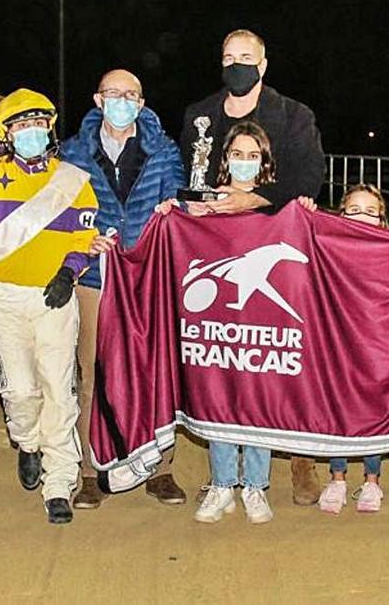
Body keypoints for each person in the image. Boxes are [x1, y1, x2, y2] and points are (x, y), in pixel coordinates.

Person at [178, 29, 326, 503]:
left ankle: (299, 454)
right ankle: (224, 467)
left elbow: (308, 178)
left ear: (263, 66)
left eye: (246, 58)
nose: (236, 65)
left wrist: (251, 199)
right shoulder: (199, 115)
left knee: (280, 351)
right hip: (216, 250)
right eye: (228, 57)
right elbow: (190, 179)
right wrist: (188, 207)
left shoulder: (294, 115)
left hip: (274, 248)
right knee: (224, 353)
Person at [0, 88, 99, 525]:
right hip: (2, 295)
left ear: (49, 130)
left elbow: (84, 237)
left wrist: (69, 273)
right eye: (22, 126)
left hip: (54, 296)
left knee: (60, 390)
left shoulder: (74, 181)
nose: (31, 133)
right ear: (7, 133)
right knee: (21, 391)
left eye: (38, 125)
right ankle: (26, 440)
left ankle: (58, 483)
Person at [57, 69, 185, 510]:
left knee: (156, 369)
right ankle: (91, 470)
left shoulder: (165, 152)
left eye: (131, 95)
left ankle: (162, 466)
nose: (122, 101)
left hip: (149, 275)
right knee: (92, 370)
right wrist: (81, 242)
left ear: (142, 103)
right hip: (94, 275)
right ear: (97, 99)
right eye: (114, 94)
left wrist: (174, 210)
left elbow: (180, 205)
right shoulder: (73, 153)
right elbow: (62, 216)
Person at [160, 121, 278, 524]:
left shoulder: (276, 207)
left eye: (252, 155)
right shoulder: (207, 202)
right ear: (223, 159)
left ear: (263, 161)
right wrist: (170, 214)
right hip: (216, 321)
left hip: (262, 322)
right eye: (236, 154)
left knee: (259, 399)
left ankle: (256, 486)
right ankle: (223, 483)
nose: (244, 162)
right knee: (219, 398)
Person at [299, 184, 389, 513]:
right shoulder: (330, 248)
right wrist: (306, 215)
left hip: (375, 344)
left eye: (370, 211)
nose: (361, 217)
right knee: (338, 405)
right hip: (337, 343)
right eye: (353, 210)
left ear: (382, 220)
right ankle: (337, 477)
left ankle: (372, 480)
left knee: (371, 407)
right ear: (340, 215)